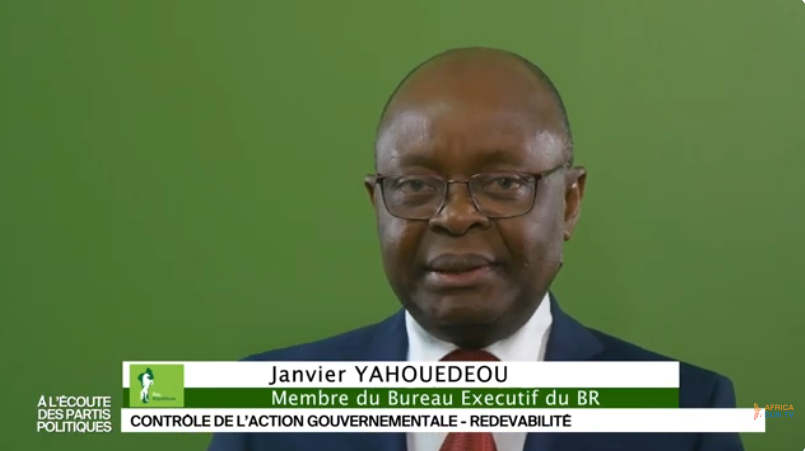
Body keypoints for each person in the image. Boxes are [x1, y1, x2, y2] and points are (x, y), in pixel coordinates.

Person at [208, 47, 744, 451]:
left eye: (504, 182)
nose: (456, 216)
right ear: (377, 205)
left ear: (570, 203)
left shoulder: (690, 417)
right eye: (415, 185)